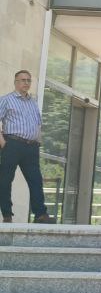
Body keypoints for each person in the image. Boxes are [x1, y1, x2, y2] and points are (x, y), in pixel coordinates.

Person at [0, 70, 54, 224]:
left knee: (36, 180)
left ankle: (40, 214)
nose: (26, 83)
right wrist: (3, 143)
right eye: (23, 80)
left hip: (31, 147)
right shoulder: (6, 100)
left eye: (29, 80)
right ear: (16, 82)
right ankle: (7, 215)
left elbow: (38, 124)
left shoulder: (33, 102)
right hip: (12, 144)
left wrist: (38, 141)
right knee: (5, 180)